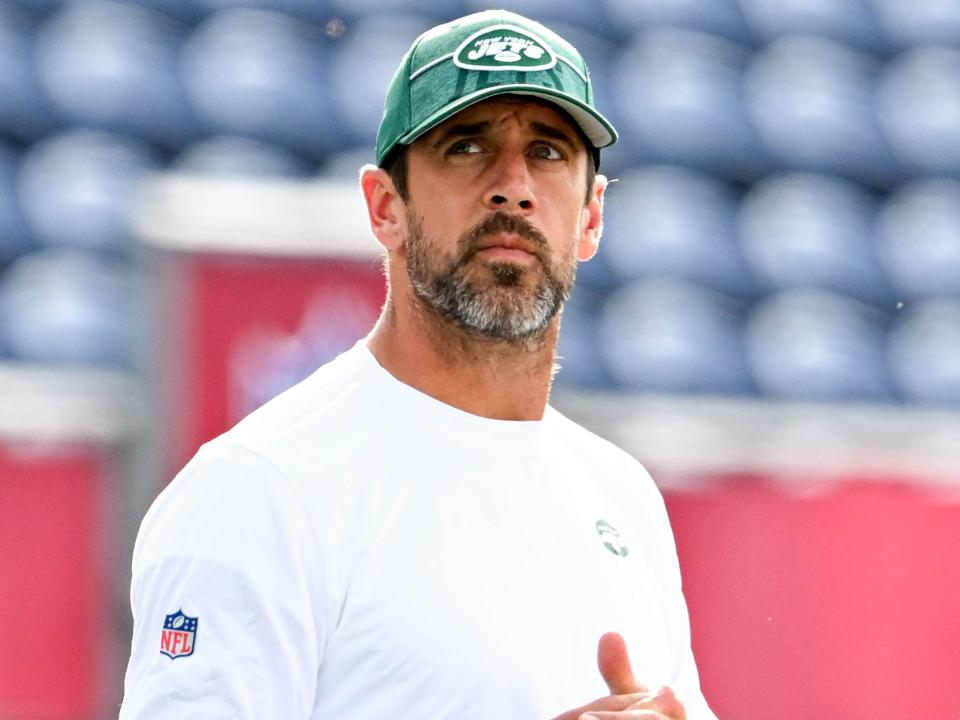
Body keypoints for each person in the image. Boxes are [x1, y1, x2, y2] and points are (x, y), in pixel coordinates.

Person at [120, 9, 717, 720]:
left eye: (550, 151)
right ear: (384, 207)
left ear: (591, 216)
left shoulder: (622, 497)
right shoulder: (258, 491)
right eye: (467, 146)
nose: (513, 186)